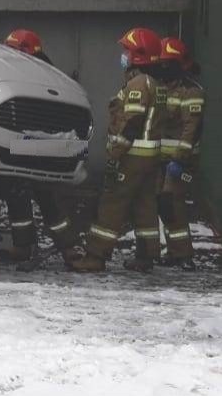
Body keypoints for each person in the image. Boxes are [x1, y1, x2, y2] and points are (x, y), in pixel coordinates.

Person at [68, 28, 166, 273]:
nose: (124, 55)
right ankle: (146, 256)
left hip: (132, 157)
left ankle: (95, 257)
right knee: (145, 206)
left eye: (127, 51)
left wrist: (114, 154)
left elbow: (131, 122)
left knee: (111, 204)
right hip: (150, 159)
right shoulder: (156, 84)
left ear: (138, 55)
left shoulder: (138, 84)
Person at [0, 28, 68, 263]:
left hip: (41, 144)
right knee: (23, 194)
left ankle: (64, 248)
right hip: (35, 143)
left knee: (39, 196)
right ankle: (60, 248)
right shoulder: (44, 71)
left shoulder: (38, 75)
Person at [145, 36, 203, 270]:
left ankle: (184, 254)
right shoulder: (160, 87)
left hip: (181, 160)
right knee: (160, 203)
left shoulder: (191, 91)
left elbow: (192, 128)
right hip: (160, 157)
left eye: (166, 63)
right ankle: (175, 252)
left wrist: (180, 159)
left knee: (172, 203)